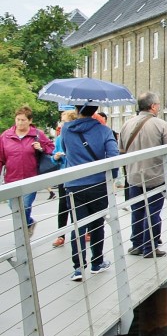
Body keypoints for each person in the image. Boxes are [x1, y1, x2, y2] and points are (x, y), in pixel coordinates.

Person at [62, 104, 119, 282]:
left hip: (74, 184)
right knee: (97, 224)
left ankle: (78, 268)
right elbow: (113, 156)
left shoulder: (66, 129)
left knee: (77, 226)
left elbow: (65, 151)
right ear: (94, 111)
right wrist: (113, 178)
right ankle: (96, 263)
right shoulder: (104, 130)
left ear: (77, 109)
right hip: (98, 184)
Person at [120, 92, 167, 258]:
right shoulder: (161, 125)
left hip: (134, 176)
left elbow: (121, 151)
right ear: (152, 106)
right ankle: (149, 247)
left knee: (137, 211)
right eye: (158, 104)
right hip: (155, 175)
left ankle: (136, 244)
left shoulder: (126, 124)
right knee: (153, 213)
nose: (158, 107)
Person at [0, 105, 55, 237]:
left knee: (24, 206)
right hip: (11, 179)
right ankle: (29, 223)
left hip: (31, 178)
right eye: (18, 119)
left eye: (23, 120)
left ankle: (22, 238)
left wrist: (40, 147)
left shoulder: (37, 134)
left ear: (30, 121)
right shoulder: (6, 136)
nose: (20, 122)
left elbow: (51, 148)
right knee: (14, 208)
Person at [50, 109, 78, 247]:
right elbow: (54, 155)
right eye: (62, 121)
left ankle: (78, 232)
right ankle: (61, 235)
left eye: (65, 121)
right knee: (63, 205)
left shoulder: (77, 136)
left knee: (75, 205)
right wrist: (55, 157)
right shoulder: (60, 138)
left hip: (75, 175)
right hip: (63, 174)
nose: (62, 124)